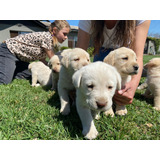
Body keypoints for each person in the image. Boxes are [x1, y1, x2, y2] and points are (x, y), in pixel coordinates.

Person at [76, 20, 150, 106]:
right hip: (102, 50)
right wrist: (77, 84)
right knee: (99, 79)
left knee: (125, 78)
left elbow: (138, 56)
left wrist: (133, 84)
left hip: (126, 50)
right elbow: (79, 53)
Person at [0, 20, 70, 85]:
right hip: (8, 51)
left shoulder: (50, 43)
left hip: (19, 59)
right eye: (64, 34)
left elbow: (43, 61)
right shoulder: (47, 38)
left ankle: (8, 69)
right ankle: (5, 69)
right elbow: (54, 60)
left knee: (33, 74)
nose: (66, 37)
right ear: (55, 30)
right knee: (4, 81)